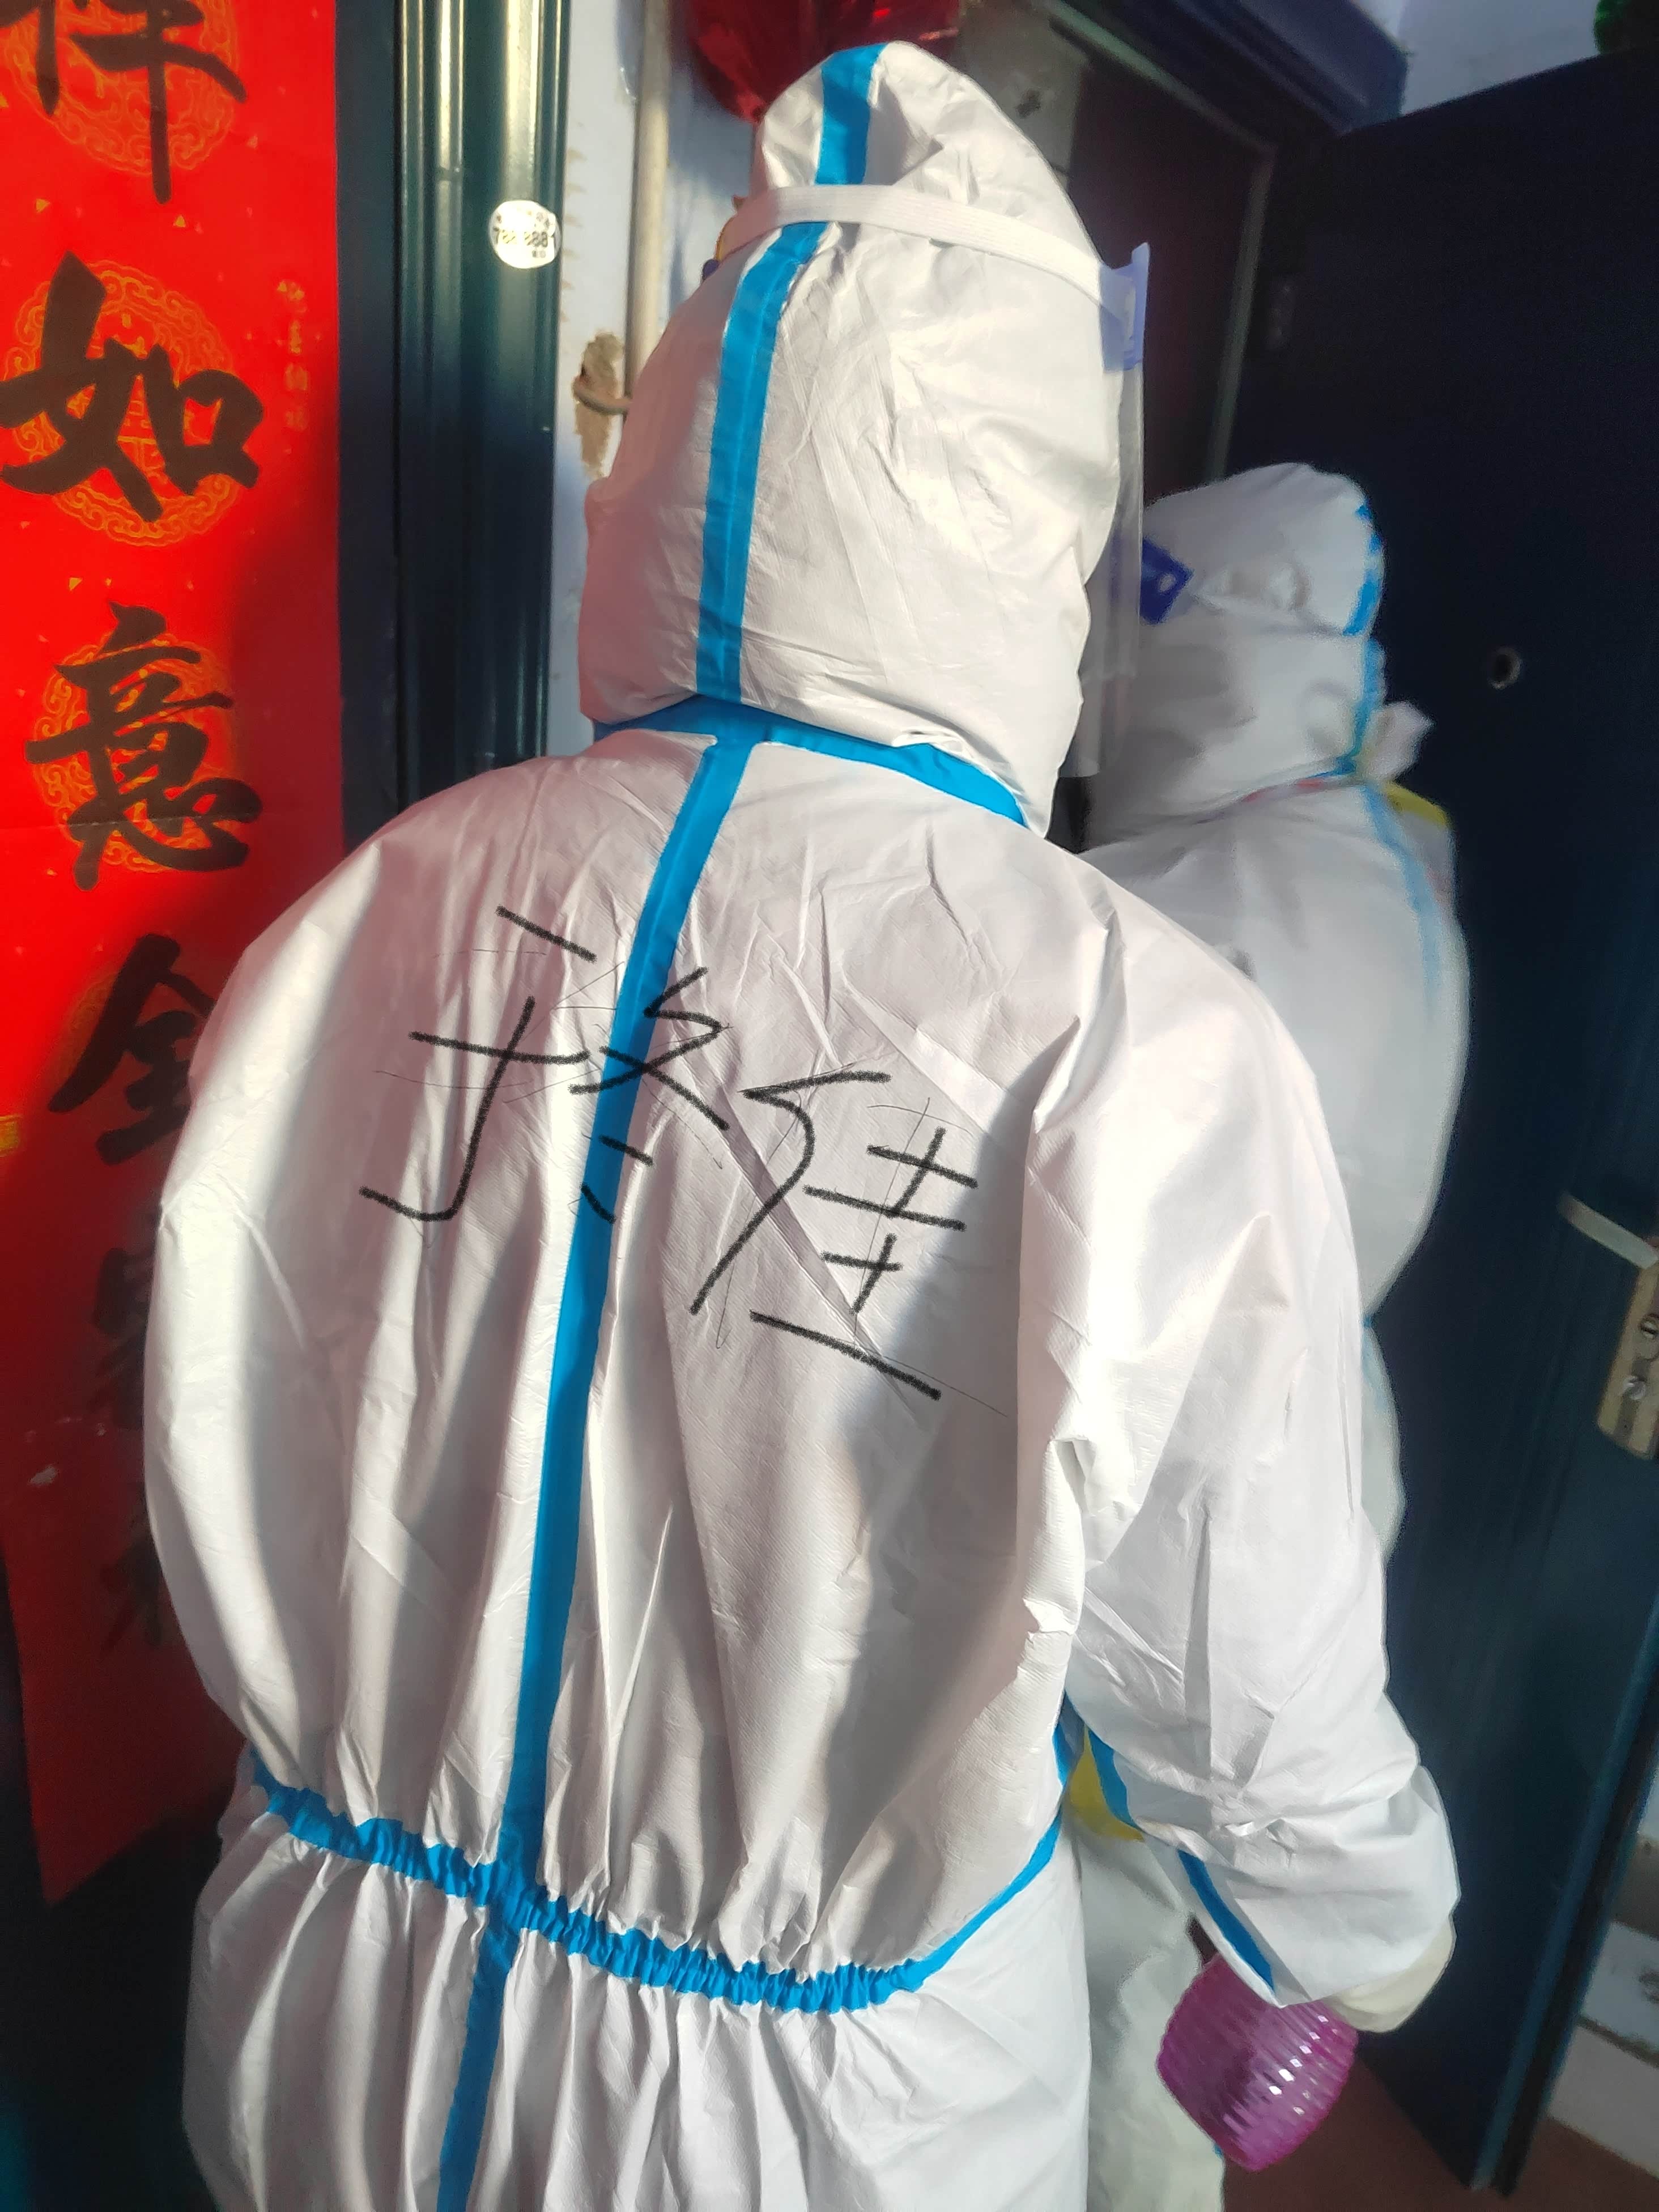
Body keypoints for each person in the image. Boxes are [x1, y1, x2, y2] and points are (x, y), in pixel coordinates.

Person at [146, 45, 1457, 2212]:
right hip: (807, 2131)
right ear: (1028, 516)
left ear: (664, 472)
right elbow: (1248, 1655)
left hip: (323, 2020)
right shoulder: (1132, 1027)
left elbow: (240, 1359)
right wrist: (1356, 1929)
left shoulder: (380, 901)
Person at [1073, 466, 1469, 2211]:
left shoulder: (1183, 905)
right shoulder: (1380, 843)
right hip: (1312, 1434)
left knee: (1122, 1938)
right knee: (1168, 1916)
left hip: (1187, 1471)